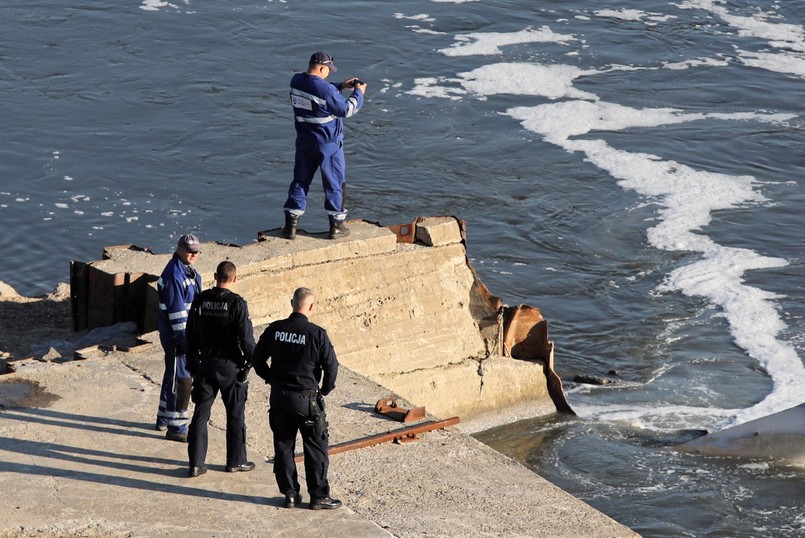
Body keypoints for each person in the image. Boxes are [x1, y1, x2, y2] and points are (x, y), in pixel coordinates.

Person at [252, 287, 341, 510]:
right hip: (307, 399)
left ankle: (290, 494)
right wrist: (325, 390)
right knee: (315, 446)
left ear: (292, 303)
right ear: (311, 306)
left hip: (280, 397)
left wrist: (271, 378)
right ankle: (318, 496)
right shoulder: (317, 334)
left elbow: (257, 359)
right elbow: (332, 366)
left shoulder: (275, 329)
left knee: (283, 445)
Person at [283, 50, 367, 241]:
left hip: (305, 140)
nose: (329, 72)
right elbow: (346, 109)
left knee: (300, 180)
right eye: (328, 69)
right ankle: (336, 226)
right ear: (321, 68)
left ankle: (290, 226)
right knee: (334, 183)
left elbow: (317, 95)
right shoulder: (326, 91)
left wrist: (340, 86)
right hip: (328, 144)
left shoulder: (296, 81)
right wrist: (358, 92)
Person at [185, 261, 256, 478]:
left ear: (215, 275)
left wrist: (192, 365)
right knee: (235, 414)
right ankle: (235, 461)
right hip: (231, 366)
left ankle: (196, 463)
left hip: (205, 363)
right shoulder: (237, 304)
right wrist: (254, 362)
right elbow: (246, 339)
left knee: (200, 413)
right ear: (234, 279)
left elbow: (189, 334)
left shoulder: (200, 300)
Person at [156, 233, 202, 442]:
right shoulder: (175, 275)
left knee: (172, 375)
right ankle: (177, 427)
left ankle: (163, 417)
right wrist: (187, 343)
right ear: (179, 249)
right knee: (182, 381)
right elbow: (177, 316)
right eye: (190, 251)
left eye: (196, 251)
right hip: (178, 337)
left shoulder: (187, 271)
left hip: (182, 335)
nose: (194, 254)